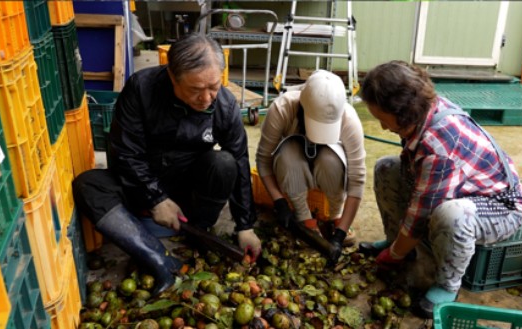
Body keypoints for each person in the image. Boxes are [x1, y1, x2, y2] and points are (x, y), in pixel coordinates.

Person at [72, 34, 261, 295]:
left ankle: (198, 231)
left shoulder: (225, 106)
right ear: (172, 76)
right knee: (88, 185)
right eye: (195, 90)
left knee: (225, 163)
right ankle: (158, 259)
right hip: (140, 186)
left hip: (187, 191)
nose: (206, 98)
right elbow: (125, 153)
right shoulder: (142, 88)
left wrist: (245, 225)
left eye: (213, 87)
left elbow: (241, 161)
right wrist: (155, 198)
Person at [358, 61, 522, 318]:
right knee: (386, 168)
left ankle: (447, 284)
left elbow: (420, 216)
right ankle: (395, 242)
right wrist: (397, 247)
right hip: (460, 186)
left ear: (403, 112)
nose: (382, 127)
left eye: (383, 119)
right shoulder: (421, 111)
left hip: (498, 206)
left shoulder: (439, 147)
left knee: (450, 214)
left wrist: (394, 255)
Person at [255, 70, 366, 263]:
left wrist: (340, 234)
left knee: (331, 159)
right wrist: (279, 201)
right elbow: (263, 160)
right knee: (287, 155)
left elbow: (357, 180)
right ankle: (305, 218)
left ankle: (336, 216)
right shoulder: (282, 108)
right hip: (294, 164)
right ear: (303, 107)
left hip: (327, 166)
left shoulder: (350, 119)